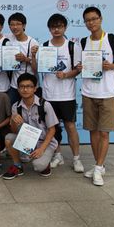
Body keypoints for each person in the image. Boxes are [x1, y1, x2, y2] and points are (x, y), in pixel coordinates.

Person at [30, 13, 84, 173]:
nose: (56, 29)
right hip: (48, 95)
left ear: (65, 27)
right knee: (52, 127)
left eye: (59, 26)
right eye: (53, 27)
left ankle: (76, 158)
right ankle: (58, 155)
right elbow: (35, 70)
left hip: (67, 95)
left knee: (70, 126)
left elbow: (78, 69)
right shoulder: (44, 46)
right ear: (49, 29)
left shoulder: (73, 47)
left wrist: (66, 75)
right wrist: (33, 56)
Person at [80, 7, 114, 186]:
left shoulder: (113, 39)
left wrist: (111, 66)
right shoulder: (83, 41)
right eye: (87, 20)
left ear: (100, 19)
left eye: (94, 19)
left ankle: (99, 168)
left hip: (107, 92)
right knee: (92, 131)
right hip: (88, 91)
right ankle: (98, 165)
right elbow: (79, 64)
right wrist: (80, 67)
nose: (91, 23)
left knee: (104, 132)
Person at [1, 73, 60, 180]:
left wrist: (41, 149)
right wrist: (13, 120)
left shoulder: (45, 105)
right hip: (27, 140)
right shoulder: (16, 106)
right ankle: (18, 166)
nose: (25, 89)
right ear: (18, 89)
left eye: (29, 86)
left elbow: (52, 130)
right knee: (8, 138)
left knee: (39, 166)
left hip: (45, 142)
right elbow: (14, 131)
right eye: (22, 86)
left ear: (35, 88)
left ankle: (45, 164)